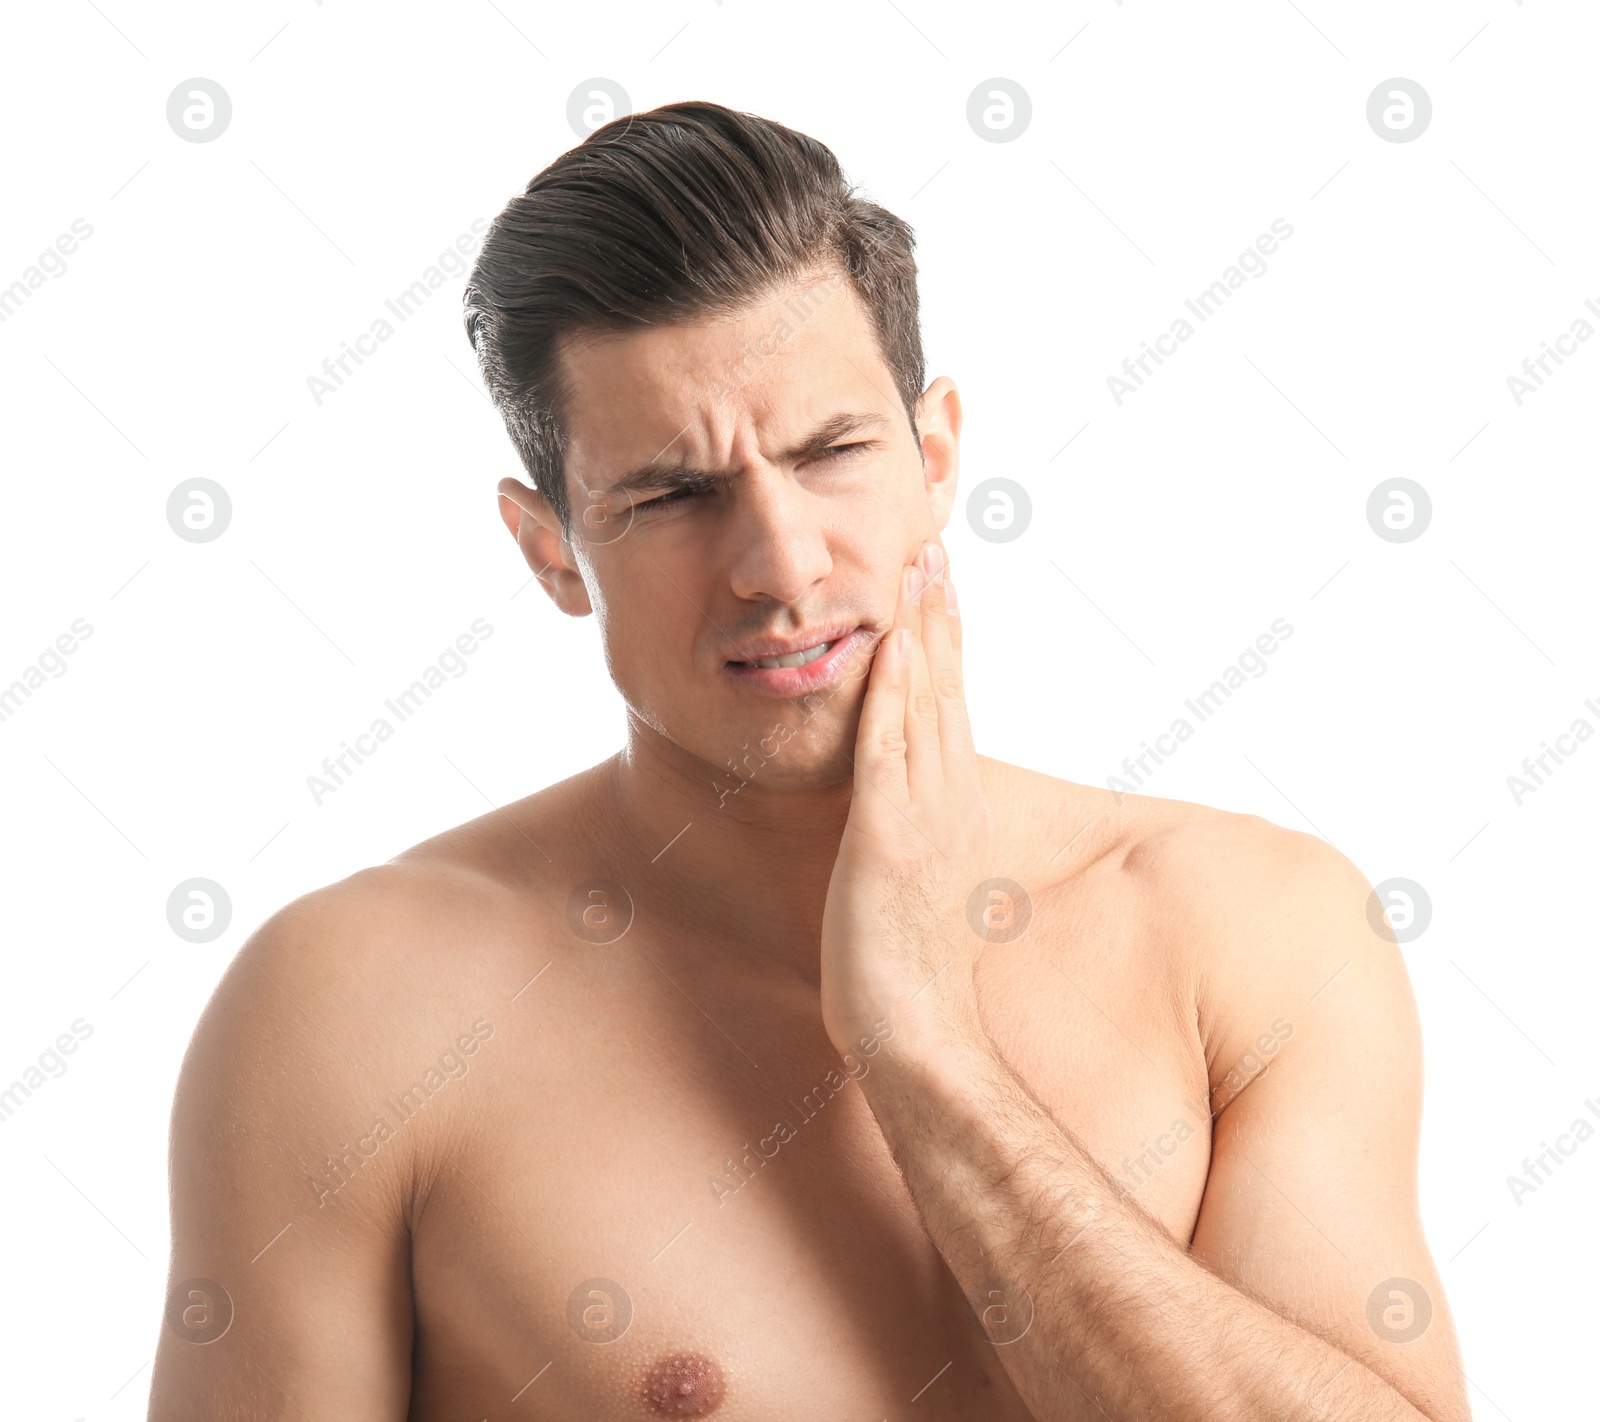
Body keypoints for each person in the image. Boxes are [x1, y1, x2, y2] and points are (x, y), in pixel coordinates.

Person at [149, 101, 1469, 1421]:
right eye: (672, 494)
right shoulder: (354, 1014)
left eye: (831, 452)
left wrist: (926, 1047)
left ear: (935, 454)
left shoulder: (1251, 932)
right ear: (552, 549)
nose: (781, 566)